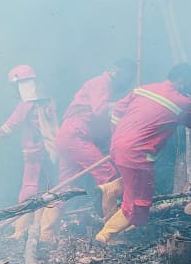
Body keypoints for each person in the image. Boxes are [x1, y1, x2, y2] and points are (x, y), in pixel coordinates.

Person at [95, 63, 191, 244]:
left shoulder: (143, 89)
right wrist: (189, 98)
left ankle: (109, 189)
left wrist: (120, 138)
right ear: (182, 81)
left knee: (132, 183)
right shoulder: (183, 102)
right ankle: (106, 236)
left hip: (117, 146)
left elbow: (117, 111)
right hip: (137, 155)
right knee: (139, 203)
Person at [39, 59, 134, 241]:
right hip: (76, 136)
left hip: (68, 138)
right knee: (110, 178)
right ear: (115, 70)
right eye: (126, 74)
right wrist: (128, 106)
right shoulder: (101, 82)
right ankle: (112, 233)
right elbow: (100, 110)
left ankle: (47, 235)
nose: (128, 79)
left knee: (64, 188)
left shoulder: (104, 86)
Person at [0, 65, 59, 239]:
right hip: (48, 151)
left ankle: (21, 231)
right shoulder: (47, 100)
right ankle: (40, 231)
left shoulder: (27, 105)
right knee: (44, 190)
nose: (15, 91)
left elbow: (7, 129)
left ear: (23, 84)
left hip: (34, 153)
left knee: (28, 192)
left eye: (16, 87)